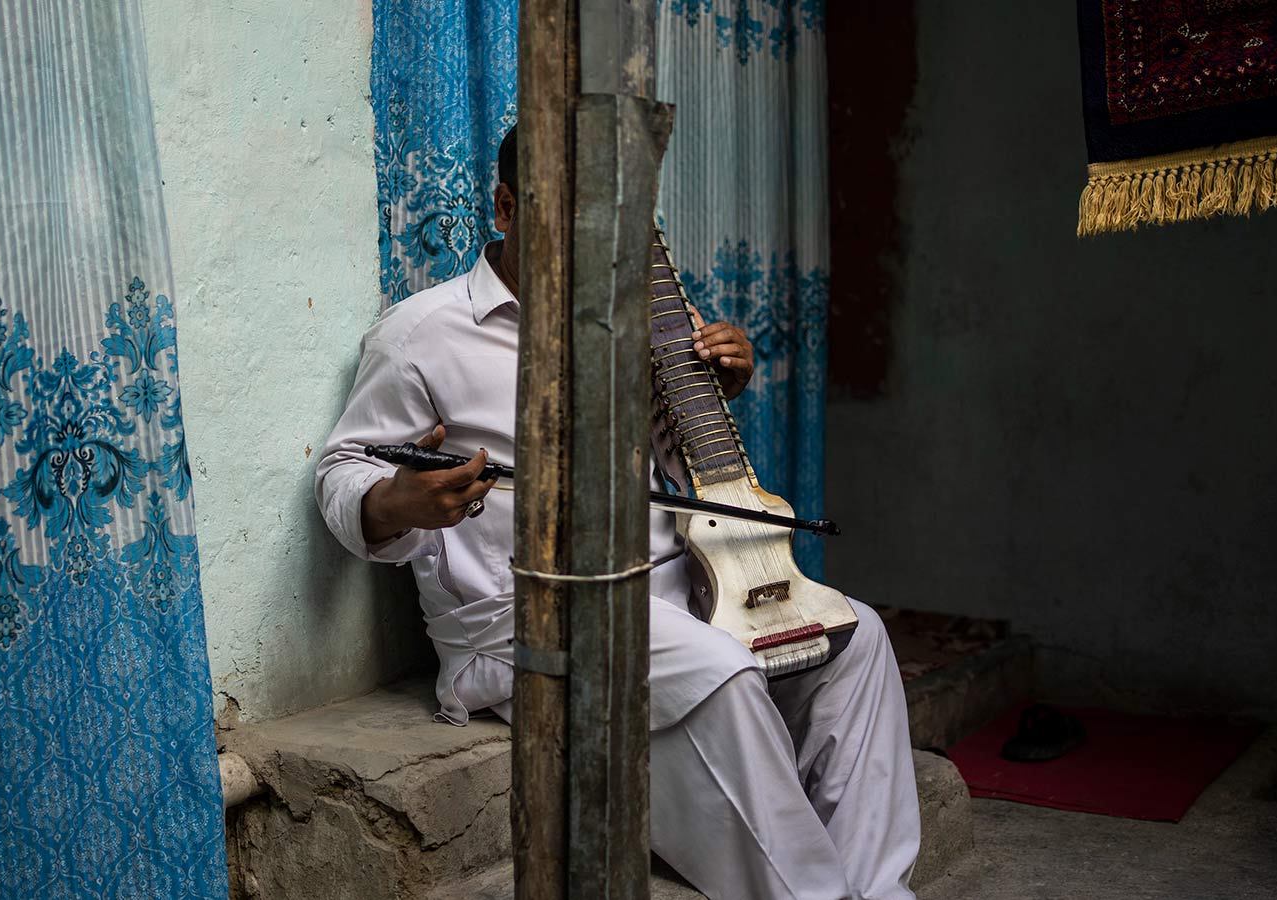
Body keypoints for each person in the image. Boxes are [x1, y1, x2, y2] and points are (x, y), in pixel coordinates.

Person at [315, 126, 920, 900]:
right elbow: (343, 469)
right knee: (721, 672)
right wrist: (391, 502)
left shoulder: (635, 316)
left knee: (854, 637)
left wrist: (712, 388)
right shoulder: (419, 336)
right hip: (524, 615)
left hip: (676, 584)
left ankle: (878, 892)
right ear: (505, 207)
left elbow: (676, 462)